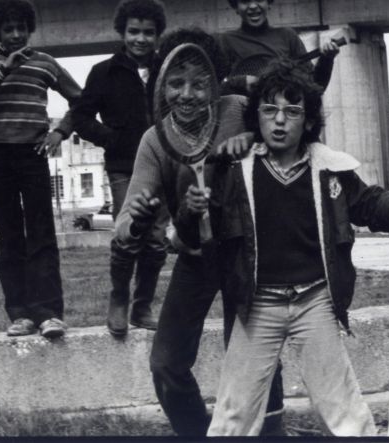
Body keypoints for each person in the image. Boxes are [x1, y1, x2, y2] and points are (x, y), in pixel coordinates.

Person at [182, 59, 389, 436]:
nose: (279, 121)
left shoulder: (330, 167)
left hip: (315, 300)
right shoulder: (233, 169)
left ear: (309, 121)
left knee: (343, 406)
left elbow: (368, 202)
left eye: (292, 112)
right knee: (234, 412)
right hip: (258, 303)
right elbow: (196, 230)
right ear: (256, 117)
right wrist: (189, 210)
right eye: (269, 110)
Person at [114, 27, 286, 437]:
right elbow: (122, 229)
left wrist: (254, 137)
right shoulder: (154, 141)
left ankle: (271, 434)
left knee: (253, 356)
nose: (187, 94)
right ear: (159, 86)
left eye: (199, 82)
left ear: (216, 80)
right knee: (166, 363)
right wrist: (135, 217)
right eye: (175, 83)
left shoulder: (240, 108)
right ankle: (197, 433)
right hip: (196, 259)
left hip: (249, 257)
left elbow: (289, 137)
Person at [0, 0, 83, 339]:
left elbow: (81, 99)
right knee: (10, 236)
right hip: (0, 156)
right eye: (8, 29)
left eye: (21, 28)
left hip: (33, 156)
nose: (15, 35)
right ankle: (19, 314)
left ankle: (49, 314)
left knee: (42, 234)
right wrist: (4, 69)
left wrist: (60, 132)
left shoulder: (46, 62)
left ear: (29, 29)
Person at [68, 0, 168, 337]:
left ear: (158, 35)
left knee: (156, 240)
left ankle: (142, 306)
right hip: (124, 165)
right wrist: (111, 138)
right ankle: (119, 299)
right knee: (129, 234)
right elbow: (80, 116)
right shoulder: (103, 72)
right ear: (122, 32)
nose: (141, 39)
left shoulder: (167, 69)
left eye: (149, 32)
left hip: (166, 167)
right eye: (134, 31)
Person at [220, 0, 339, 95]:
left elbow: (314, 88)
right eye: (245, 1)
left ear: (269, 2)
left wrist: (327, 60)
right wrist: (240, 83)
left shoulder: (288, 37)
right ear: (236, 7)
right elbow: (213, 91)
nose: (253, 6)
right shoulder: (225, 41)